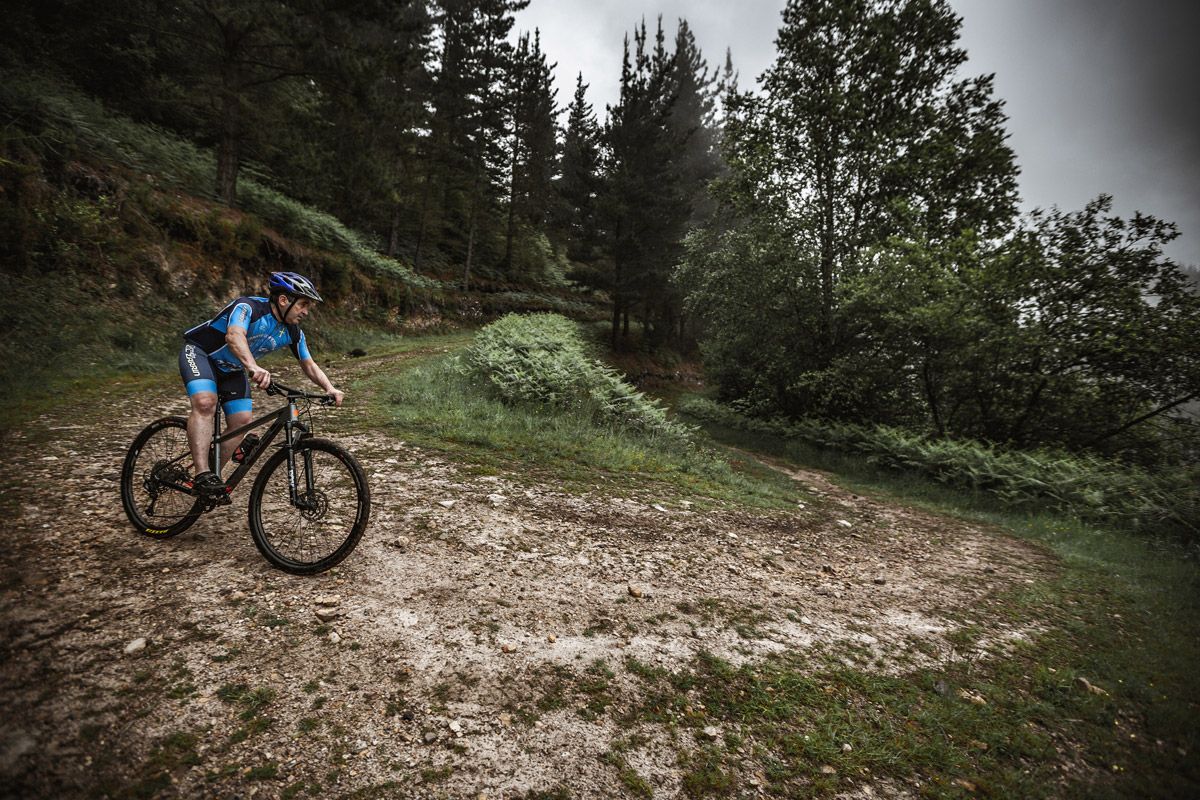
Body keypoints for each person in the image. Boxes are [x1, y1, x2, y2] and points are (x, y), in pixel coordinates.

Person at [179, 271, 344, 496]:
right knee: (206, 402)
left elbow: (309, 364)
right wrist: (254, 367)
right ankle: (201, 473)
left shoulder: (293, 331)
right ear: (284, 300)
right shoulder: (248, 307)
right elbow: (234, 335)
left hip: (232, 369)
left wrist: (329, 388)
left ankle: (212, 478)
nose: (306, 312)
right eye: (303, 304)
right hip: (200, 354)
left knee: (242, 421)